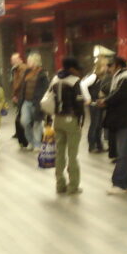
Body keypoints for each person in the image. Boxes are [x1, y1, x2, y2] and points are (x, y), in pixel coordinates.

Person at [99, 56, 127, 195]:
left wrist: (105, 101)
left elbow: (119, 95)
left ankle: (118, 183)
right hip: (126, 121)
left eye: (110, 66)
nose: (108, 69)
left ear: (117, 65)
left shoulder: (126, 78)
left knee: (123, 153)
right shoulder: (122, 77)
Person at [46, 57, 88, 194]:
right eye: (76, 68)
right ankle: (73, 186)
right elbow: (79, 103)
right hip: (71, 120)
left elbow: (48, 100)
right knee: (72, 154)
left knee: (59, 153)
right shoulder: (75, 82)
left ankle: (60, 185)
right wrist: (81, 119)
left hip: (57, 119)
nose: (78, 71)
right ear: (71, 69)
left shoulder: (55, 80)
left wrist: (48, 120)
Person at [18, 53, 49, 151]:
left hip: (37, 103)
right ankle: (30, 141)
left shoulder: (42, 74)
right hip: (26, 102)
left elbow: (45, 89)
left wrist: (41, 102)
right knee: (24, 121)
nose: (28, 62)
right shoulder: (27, 72)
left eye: (29, 61)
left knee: (37, 124)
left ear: (35, 62)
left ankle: (36, 144)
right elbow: (23, 86)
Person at [81, 58, 107, 154]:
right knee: (94, 124)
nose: (106, 67)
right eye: (104, 65)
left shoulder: (100, 77)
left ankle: (99, 145)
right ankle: (92, 146)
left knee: (99, 125)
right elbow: (83, 85)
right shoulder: (93, 76)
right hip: (94, 103)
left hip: (99, 103)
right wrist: (88, 98)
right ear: (100, 66)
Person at [9, 52, 29, 149]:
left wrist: (15, 94)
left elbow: (19, 83)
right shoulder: (16, 69)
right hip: (20, 96)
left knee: (21, 118)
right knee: (20, 117)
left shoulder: (22, 69)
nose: (12, 62)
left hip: (23, 96)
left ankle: (23, 139)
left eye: (14, 60)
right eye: (12, 60)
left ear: (20, 59)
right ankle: (22, 138)